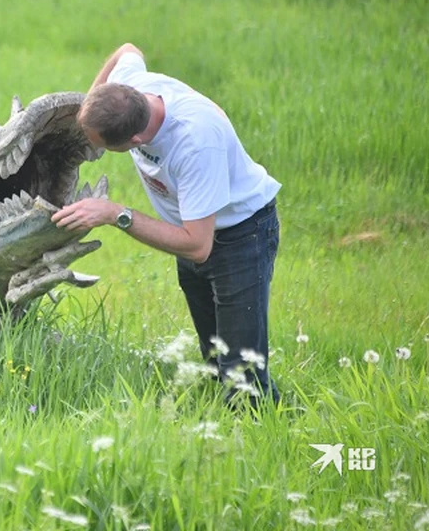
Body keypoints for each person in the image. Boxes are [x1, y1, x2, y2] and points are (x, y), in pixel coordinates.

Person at [52, 43, 282, 405]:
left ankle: (264, 435)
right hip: (190, 226)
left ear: (136, 141)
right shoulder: (129, 86)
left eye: (101, 146)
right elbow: (127, 49)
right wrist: (87, 111)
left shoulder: (194, 144)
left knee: (242, 374)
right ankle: (216, 422)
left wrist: (115, 214)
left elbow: (197, 245)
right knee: (214, 355)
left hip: (240, 235)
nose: (92, 149)